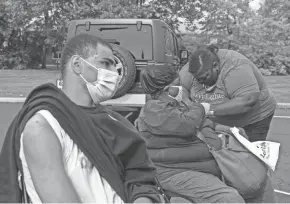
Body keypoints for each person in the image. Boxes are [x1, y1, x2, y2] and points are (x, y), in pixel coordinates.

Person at [0, 33, 161, 203]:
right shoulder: (43, 126)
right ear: (77, 65)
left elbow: (140, 178)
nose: (115, 74)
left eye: (115, 66)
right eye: (106, 63)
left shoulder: (116, 122)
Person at [135, 65, 248, 203]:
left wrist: (228, 129)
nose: (182, 89)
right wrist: (200, 107)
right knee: (230, 199)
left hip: (200, 166)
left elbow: (201, 123)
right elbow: (187, 125)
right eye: (178, 85)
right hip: (176, 171)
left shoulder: (175, 104)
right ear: (167, 89)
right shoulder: (153, 109)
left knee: (254, 182)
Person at [184, 44, 277, 142]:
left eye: (204, 77)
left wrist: (206, 109)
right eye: (197, 79)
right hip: (218, 123)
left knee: (247, 152)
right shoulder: (193, 68)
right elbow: (179, 86)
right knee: (220, 151)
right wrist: (188, 104)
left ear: (215, 66)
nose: (200, 82)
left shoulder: (235, 66)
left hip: (254, 119)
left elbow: (247, 101)